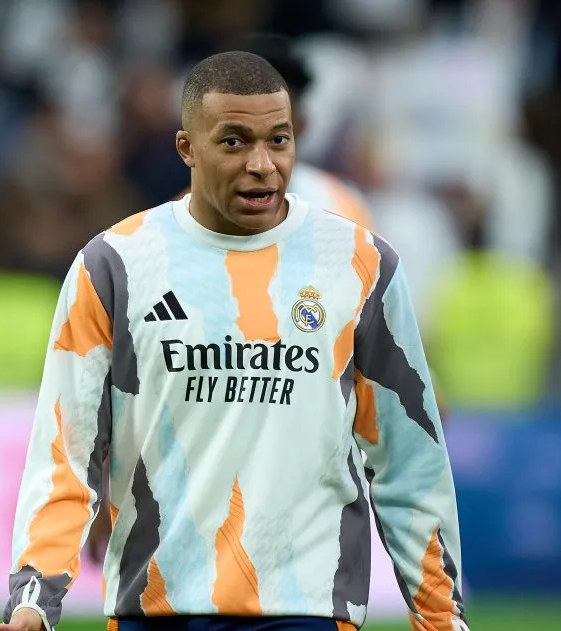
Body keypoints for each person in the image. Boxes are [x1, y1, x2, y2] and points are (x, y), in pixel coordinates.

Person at [0, 51, 513, 631]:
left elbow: (409, 463)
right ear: (187, 148)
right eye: (234, 141)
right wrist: (35, 599)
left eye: (280, 139)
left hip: (297, 611)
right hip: (157, 611)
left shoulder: (358, 263)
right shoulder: (114, 265)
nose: (263, 163)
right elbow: (67, 449)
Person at [85, 35, 372, 565]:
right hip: (206, 453)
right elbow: (140, 362)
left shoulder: (342, 212)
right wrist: (108, 482)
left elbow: (367, 323)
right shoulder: (180, 221)